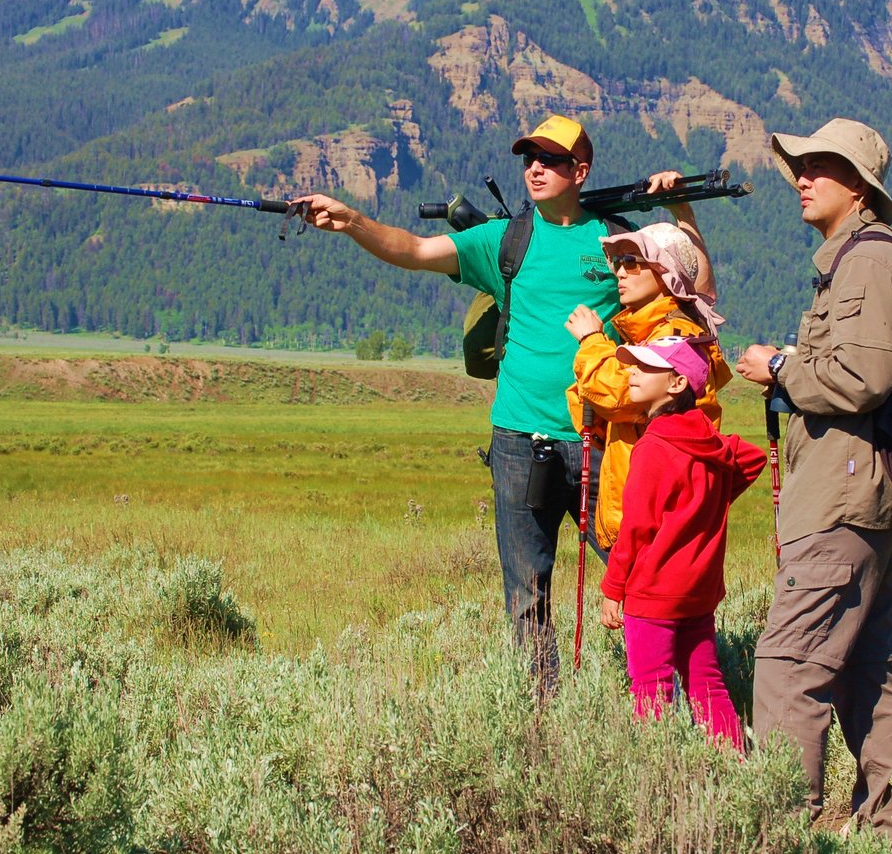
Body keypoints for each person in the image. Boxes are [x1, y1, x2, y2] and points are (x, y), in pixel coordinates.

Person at [294, 114, 711, 692]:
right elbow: (415, 249)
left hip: (607, 442)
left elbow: (694, 291)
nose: (534, 168)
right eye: (528, 159)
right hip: (519, 441)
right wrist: (352, 221)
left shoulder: (617, 240)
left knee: (642, 575)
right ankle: (538, 716)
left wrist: (683, 210)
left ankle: (660, 695)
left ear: (580, 171)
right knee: (526, 596)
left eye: (550, 160)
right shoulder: (504, 240)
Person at [736, 118, 892, 847]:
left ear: (860, 186)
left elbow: (866, 376)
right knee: (863, 671)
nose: (803, 177)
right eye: (802, 164)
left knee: (787, 669)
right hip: (858, 498)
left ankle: (783, 829)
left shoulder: (870, 261)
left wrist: (780, 371)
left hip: (843, 501)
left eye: (821, 165)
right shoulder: (854, 259)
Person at [598, 337, 765, 747]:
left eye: (645, 367)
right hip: (698, 593)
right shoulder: (707, 441)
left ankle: (660, 784)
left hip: (652, 593)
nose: (632, 373)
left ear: (676, 383)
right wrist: (708, 497)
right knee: (707, 685)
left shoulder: (654, 446)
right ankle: (737, 767)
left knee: (651, 692)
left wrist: (612, 589)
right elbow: (752, 457)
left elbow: (635, 529)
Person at [562, 222, 734, 552]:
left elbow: (618, 394)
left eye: (632, 261)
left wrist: (591, 341)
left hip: (655, 520)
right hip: (648, 513)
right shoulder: (653, 334)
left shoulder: (675, 337)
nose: (620, 273)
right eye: (617, 262)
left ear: (666, 273)